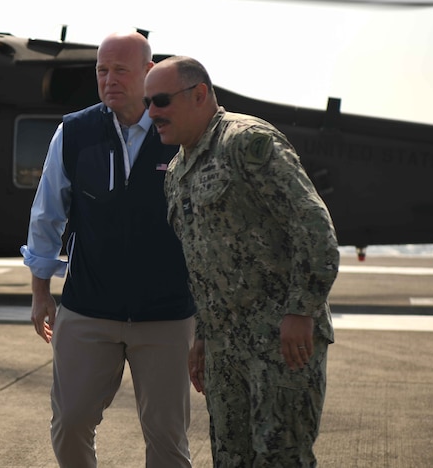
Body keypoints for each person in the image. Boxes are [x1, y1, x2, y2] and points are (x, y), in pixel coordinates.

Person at [144, 55, 339, 467]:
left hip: (281, 341)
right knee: (230, 459)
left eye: (161, 100)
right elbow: (201, 261)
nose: (152, 113)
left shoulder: (247, 143)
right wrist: (202, 337)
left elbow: (313, 226)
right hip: (223, 348)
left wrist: (301, 311)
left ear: (199, 95)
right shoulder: (177, 171)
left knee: (281, 458)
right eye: (147, 103)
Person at [22, 30, 198, 468]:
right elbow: (47, 216)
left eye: (121, 69)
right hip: (88, 309)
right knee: (71, 422)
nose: (109, 79)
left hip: (166, 315)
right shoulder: (75, 132)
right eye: (102, 70)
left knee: (166, 436)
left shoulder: (181, 132)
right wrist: (41, 292)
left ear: (148, 72)